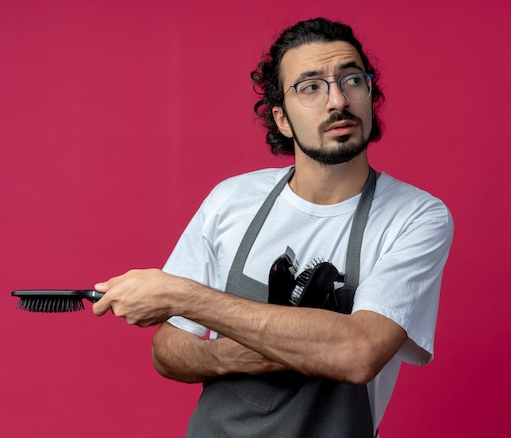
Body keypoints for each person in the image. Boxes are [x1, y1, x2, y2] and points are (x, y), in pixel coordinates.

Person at [93, 17, 453, 437]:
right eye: (311, 86)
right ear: (282, 120)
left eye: (352, 79)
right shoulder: (232, 199)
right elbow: (169, 351)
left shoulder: (415, 216)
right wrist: (242, 355)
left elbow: (359, 351)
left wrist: (181, 294)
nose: (338, 100)